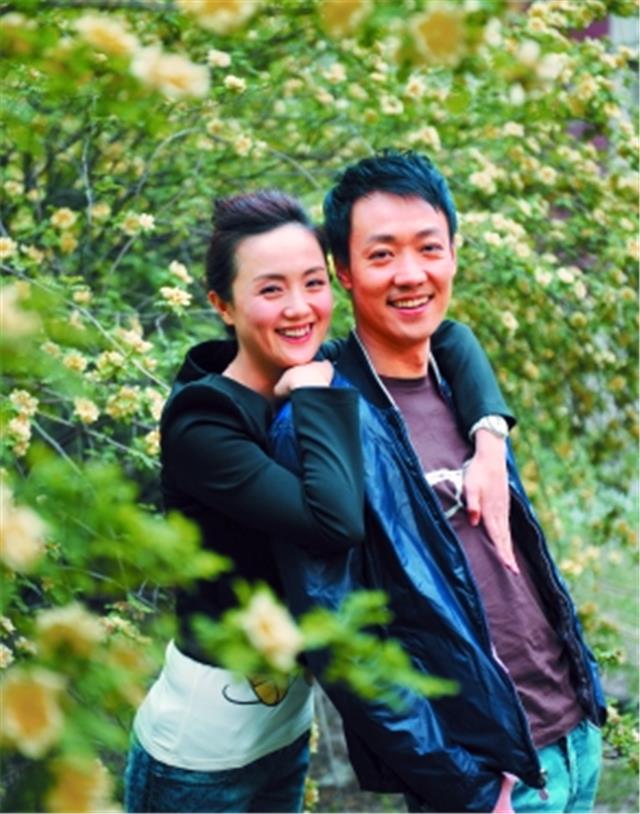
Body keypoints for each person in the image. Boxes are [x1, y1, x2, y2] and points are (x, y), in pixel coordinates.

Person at [124, 189, 515, 813]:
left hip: (283, 733)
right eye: (271, 289)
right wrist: (315, 394)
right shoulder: (204, 422)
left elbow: (450, 337)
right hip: (197, 757)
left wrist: (490, 440)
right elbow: (334, 522)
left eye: (313, 283)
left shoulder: (312, 364)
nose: (299, 307)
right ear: (222, 304)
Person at [270, 151, 606, 814]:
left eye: (429, 248)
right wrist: (463, 785)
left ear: (454, 253)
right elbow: (340, 638)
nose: (411, 274)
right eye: (382, 254)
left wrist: (586, 703)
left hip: (574, 737)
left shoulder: (464, 390)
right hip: (492, 775)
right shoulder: (320, 418)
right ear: (343, 272)